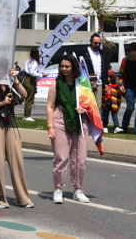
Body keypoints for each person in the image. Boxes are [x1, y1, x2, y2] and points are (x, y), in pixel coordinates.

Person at [0, 58, 33, 209]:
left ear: (6, 70)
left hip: (10, 123)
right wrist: (3, 103)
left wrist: (15, 79)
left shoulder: (11, 84)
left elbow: (24, 95)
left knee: (17, 160)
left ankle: (22, 198)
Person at [47, 55, 91, 204]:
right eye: (62, 66)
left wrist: (85, 109)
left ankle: (78, 190)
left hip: (80, 122)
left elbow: (91, 105)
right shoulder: (56, 83)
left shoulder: (82, 83)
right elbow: (50, 107)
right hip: (60, 119)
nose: (64, 69)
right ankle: (58, 189)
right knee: (61, 156)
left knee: (80, 159)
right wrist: (50, 127)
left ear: (74, 67)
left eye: (67, 66)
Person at [81, 34, 108, 110]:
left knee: (98, 106)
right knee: (87, 105)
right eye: (96, 43)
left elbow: (105, 68)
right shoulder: (83, 52)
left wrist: (106, 83)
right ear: (91, 41)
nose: (97, 45)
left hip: (99, 83)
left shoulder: (102, 53)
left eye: (99, 43)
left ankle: (97, 118)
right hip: (87, 83)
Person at [22, 48, 48, 122]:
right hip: (30, 80)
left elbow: (25, 69)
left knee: (27, 98)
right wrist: (42, 75)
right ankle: (27, 115)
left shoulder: (28, 60)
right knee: (30, 98)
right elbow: (32, 73)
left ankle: (26, 115)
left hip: (25, 79)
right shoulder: (34, 62)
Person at [119, 42, 136, 134]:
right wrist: (121, 85)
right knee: (130, 107)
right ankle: (124, 125)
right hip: (129, 87)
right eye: (133, 55)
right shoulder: (125, 60)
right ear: (129, 54)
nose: (135, 57)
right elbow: (121, 74)